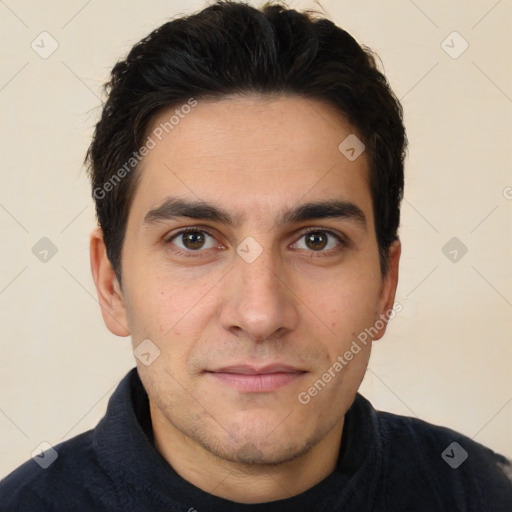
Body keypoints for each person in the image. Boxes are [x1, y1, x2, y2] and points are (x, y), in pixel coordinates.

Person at [1, 1, 511, 510]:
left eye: (317, 240)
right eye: (194, 239)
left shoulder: (484, 493)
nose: (261, 315)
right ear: (111, 283)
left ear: (385, 286)